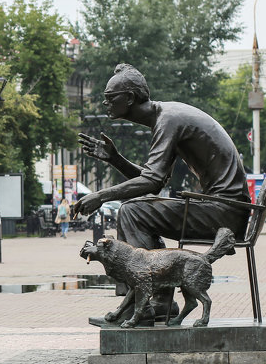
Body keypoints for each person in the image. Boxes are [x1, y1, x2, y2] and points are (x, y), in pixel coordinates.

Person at [73, 64, 251, 324]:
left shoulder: (168, 119)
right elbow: (154, 182)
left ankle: (145, 305)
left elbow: (151, 180)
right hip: (223, 208)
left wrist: (100, 196)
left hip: (223, 212)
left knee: (133, 210)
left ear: (130, 98)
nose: (105, 103)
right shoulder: (168, 116)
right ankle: (158, 302)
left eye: (110, 97)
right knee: (139, 208)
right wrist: (115, 159)